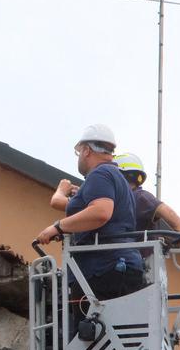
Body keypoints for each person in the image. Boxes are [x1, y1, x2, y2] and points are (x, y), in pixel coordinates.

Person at [37, 124, 144, 300]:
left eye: (79, 152)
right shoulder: (116, 178)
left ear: (86, 150)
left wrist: (57, 227)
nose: (79, 157)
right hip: (119, 266)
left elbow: (100, 212)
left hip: (103, 270)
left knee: (89, 317)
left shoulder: (100, 174)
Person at [114, 153, 180, 261]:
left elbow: (165, 211)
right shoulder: (123, 201)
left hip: (134, 262)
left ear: (120, 176)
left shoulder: (139, 197)